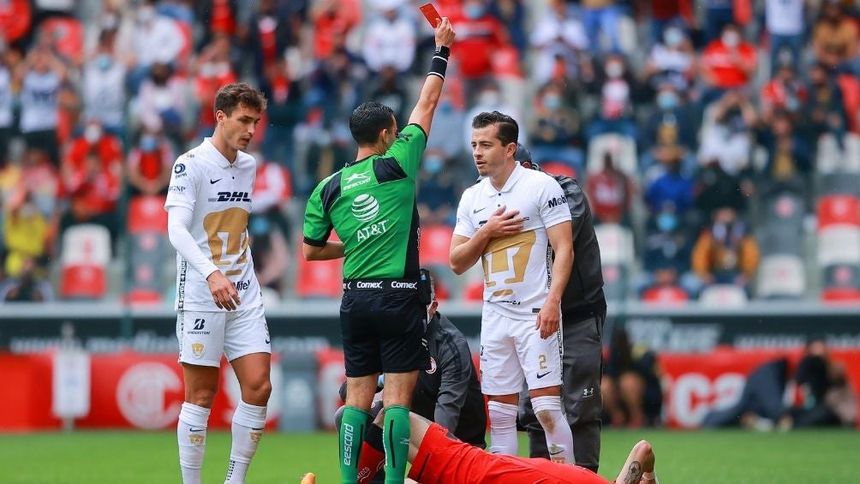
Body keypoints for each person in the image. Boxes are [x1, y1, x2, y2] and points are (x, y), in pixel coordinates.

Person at [302, 18, 456, 484]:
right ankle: (391, 481)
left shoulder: (328, 188)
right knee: (396, 403)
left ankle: (348, 481)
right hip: (398, 297)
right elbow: (427, 102)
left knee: (355, 398)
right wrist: (441, 50)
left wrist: (352, 243)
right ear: (389, 133)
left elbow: (310, 251)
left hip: (355, 298)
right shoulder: (398, 163)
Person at [449, 112, 575, 462]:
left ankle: (567, 478)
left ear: (510, 149)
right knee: (501, 417)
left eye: (486, 145)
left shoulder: (540, 186)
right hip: (495, 316)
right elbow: (456, 262)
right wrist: (487, 231)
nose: (477, 152)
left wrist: (553, 302)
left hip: (536, 313)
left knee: (546, 409)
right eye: (474, 144)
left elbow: (565, 248)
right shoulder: (472, 197)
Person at [164, 83, 272, 484]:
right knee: (202, 395)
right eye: (244, 120)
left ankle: (234, 480)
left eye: (255, 122)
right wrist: (211, 273)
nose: (251, 130)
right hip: (201, 291)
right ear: (220, 117)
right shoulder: (189, 164)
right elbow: (176, 229)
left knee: (259, 386)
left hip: (243, 290)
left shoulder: (249, 166)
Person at [334, 273, 487, 483]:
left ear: (433, 307)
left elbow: (446, 421)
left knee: (390, 415)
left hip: (458, 443)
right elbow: (347, 392)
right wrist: (381, 380)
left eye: (414, 309)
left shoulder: (451, 345)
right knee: (345, 415)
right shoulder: (391, 337)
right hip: (408, 425)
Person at [514, 144, 607, 472]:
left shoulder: (566, 191)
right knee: (535, 409)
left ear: (527, 169)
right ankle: (541, 477)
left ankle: (584, 477)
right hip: (533, 317)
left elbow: (554, 233)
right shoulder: (492, 198)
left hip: (577, 314)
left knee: (580, 406)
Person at [302, 411, 659, 484]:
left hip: (468, 469)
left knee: (384, 417)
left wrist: (647, 477)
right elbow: (644, 451)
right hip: (470, 466)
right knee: (384, 418)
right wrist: (648, 478)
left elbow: (644, 451)